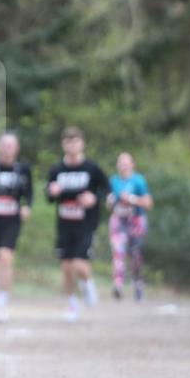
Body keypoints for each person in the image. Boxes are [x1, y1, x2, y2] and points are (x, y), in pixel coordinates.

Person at [46, 126, 110, 322]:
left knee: (79, 265)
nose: (72, 145)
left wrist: (94, 198)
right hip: (64, 224)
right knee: (66, 267)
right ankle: (72, 305)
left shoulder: (92, 168)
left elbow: (106, 190)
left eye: (75, 141)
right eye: (68, 141)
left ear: (82, 143)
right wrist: (52, 191)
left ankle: (87, 284)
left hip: (86, 224)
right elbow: (48, 196)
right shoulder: (57, 169)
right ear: (63, 144)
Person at [0, 131, 33, 321]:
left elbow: (29, 193)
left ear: (16, 149)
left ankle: (2, 303)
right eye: (4, 145)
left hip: (11, 220)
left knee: (6, 256)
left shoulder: (23, 169)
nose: (7, 150)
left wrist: (27, 206)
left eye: (11, 146)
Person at [107, 152, 153, 301]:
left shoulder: (138, 181)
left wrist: (131, 199)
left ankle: (138, 282)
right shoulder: (113, 181)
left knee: (135, 254)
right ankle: (118, 284)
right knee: (118, 252)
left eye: (126, 163)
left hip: (136, 221)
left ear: (132, 164)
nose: (123, 166)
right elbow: (109, 204)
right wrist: (111, 202)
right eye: (121, 163)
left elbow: (148, 203)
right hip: (119, 220)